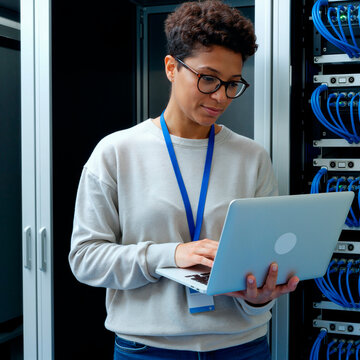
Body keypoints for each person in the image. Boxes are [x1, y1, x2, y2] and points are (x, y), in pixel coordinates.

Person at [69, 1, 299, 359]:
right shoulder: (115, 152)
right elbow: (85, 258)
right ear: (171, 68)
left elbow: (261, 261)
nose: (221, 97)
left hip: (242, 347)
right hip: (147, 350)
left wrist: (260, 297)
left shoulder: (252, 157)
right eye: (208, 79)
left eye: (233, 84)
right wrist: (173, 254)